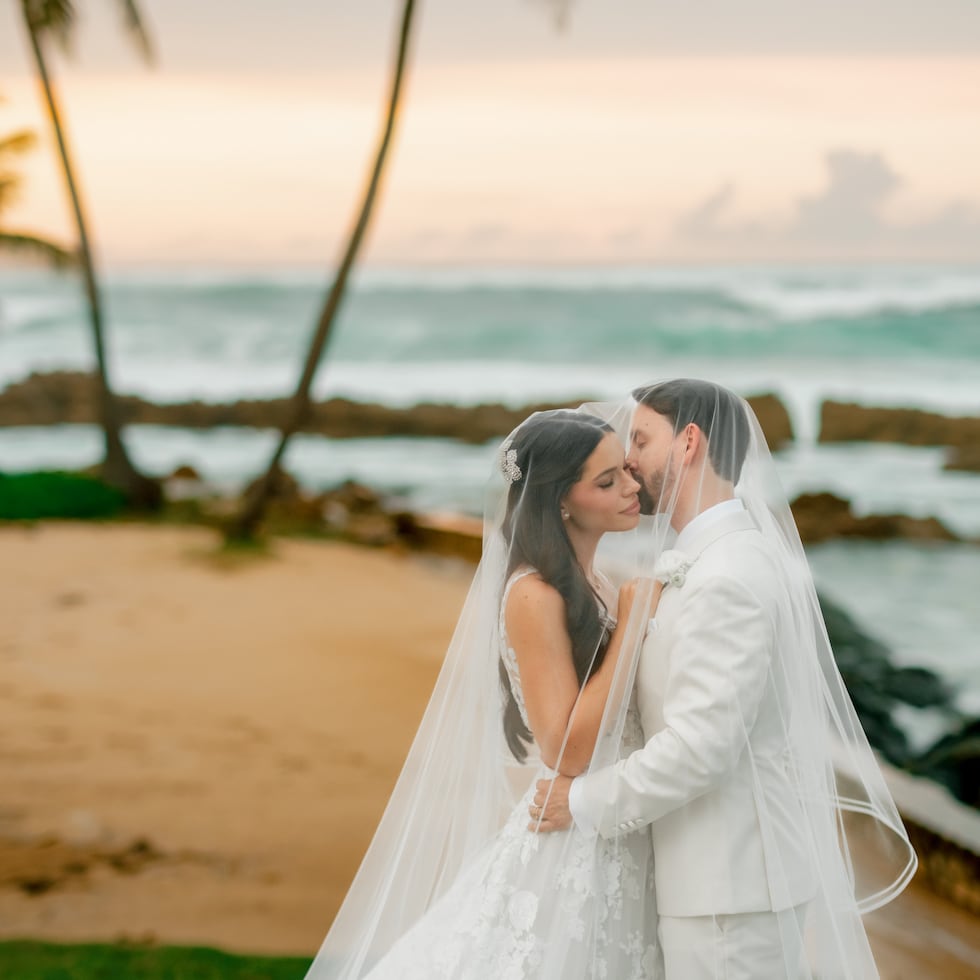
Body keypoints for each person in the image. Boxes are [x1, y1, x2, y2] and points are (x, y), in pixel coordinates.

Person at [532, 379, 917, 980]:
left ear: (688, 443)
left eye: (641, 440)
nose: (628, 460)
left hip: (729, 897)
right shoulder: (716, 558)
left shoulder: (727, 576)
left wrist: (579, 801)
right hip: (719, 887)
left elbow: (700, 749)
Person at [303, 409, 664, 980]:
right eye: (606, 481)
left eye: (624, 469)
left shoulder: (589, 581)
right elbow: (563, 749)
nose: (631, 486)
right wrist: (632, 626)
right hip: (573, 842)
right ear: (560, 502)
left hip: (610, 824)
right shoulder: (535, 595)